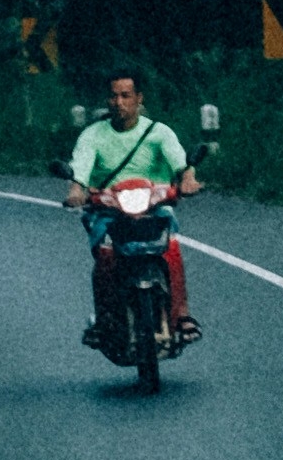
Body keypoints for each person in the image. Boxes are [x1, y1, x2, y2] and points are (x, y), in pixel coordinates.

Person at [66, 69, 200, 349]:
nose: (119, 102)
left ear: (139, 98)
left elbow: (182, 164)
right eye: (114, 96)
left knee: (172, 249)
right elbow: (80, 171)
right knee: (106, 253)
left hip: (154, 208)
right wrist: (77, 191)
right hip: (109, 211)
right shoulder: (92, 135)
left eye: (126, 96)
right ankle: (104, 319)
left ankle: (182, 315)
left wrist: (187, 180)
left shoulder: (158, 133)